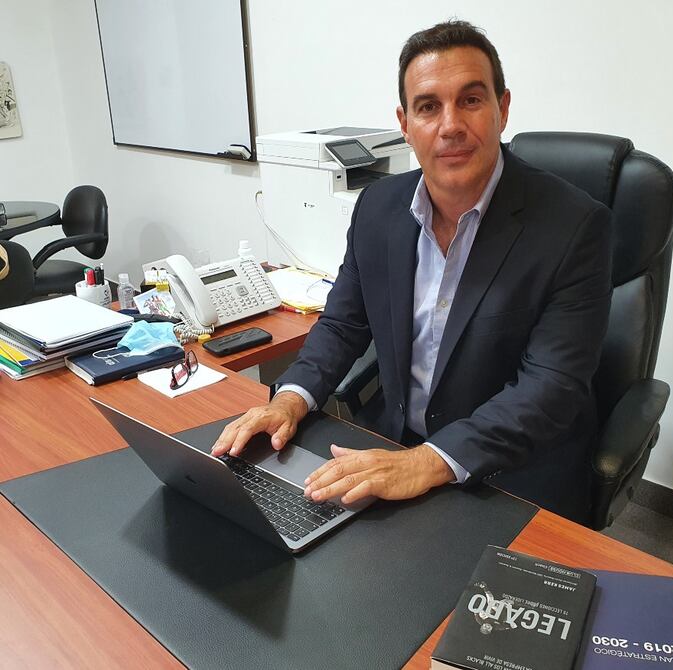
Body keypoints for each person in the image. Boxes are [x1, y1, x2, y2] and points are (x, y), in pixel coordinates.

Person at [212, 20, 613, 523]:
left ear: (503, 109)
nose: (450, 125)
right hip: (396, 449)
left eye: (471, 100)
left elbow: (552, 387)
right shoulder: (378, 208)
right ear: (404, 123)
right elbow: (343, 324)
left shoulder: (574, 227)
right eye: (428, 107)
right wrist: (289, 400)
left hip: (512, 477)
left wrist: (428, 461)